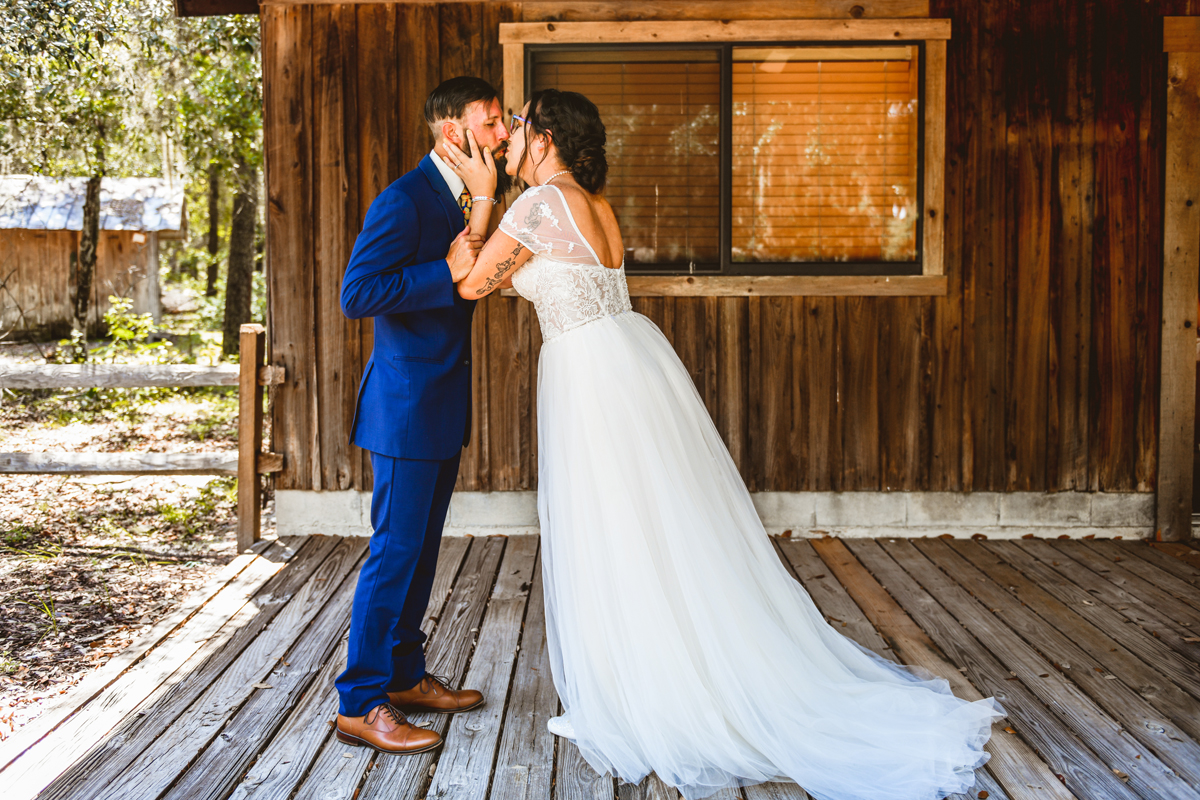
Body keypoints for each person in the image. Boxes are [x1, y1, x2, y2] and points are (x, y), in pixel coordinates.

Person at [443, 88, 1005, 800]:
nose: (510, 135)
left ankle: (644, 690)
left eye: (518, 124)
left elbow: (468, 284)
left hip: (590, 377)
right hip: (626, 362)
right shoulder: (594, 206)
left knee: (614, 526)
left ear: (545, 136)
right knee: (654, 525)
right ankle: (661, 666)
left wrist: (482, 196)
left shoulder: (534, 206)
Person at [333, 76, 511, 755]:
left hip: (440, 403)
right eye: (488, 122)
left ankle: (405, 675)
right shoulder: (405, 200)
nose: (499, 133)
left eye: (500, 122)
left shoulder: (467, 196)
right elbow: (358, 293)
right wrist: (441, 270)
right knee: (394, 553)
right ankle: (360, 701)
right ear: (451, 132)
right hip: (405, 409)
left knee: (421, 550)